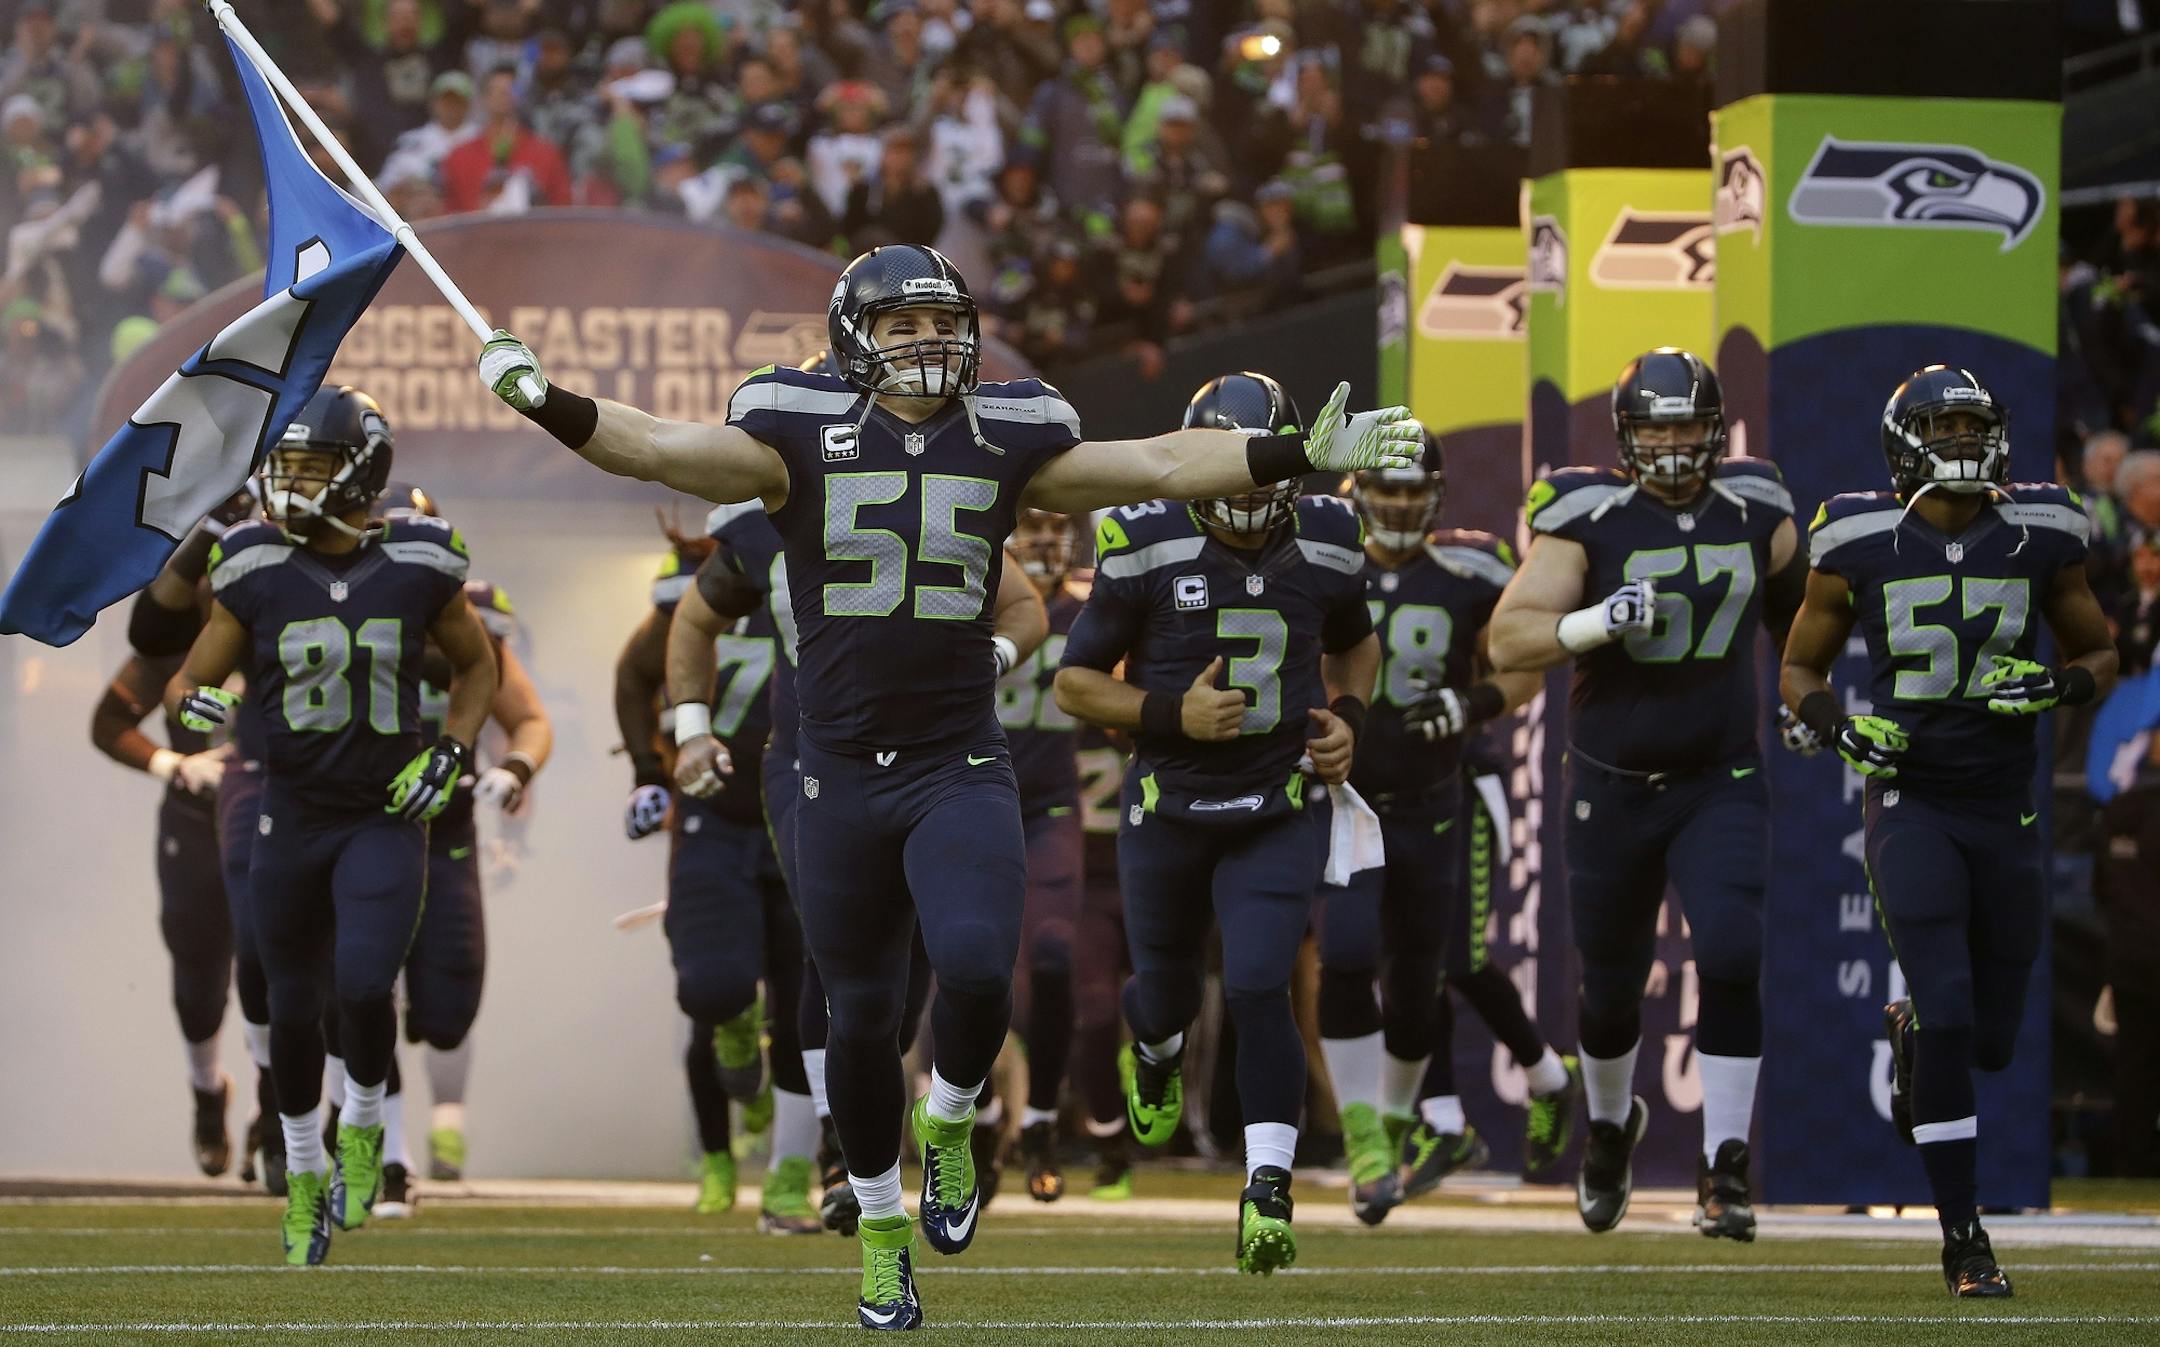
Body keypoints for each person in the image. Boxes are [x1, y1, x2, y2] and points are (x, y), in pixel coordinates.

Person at [475, 242, 1417, 1329]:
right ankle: (882, 1233)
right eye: (900, 325)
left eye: (940, 321)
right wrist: (547, 399)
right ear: (851, 337)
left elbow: (1159, 465)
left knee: (977, 969)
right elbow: (656, 449)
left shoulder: (1006, 429)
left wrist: (1287, 453)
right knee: (863, 1015)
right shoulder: (788, 423)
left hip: (955, 759)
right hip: (832, 769)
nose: (926, 341)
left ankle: (955, 1119)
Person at [1782, 365, 2116, 1297]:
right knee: (1952, 1008)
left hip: (2003, 804)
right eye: (1948, 427)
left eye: (1977, 426)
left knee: (1995, 1041)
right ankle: (1964, 1240)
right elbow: (1798, 670)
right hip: (1911, 797)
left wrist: (2058, 686)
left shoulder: (2043, 529)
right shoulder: (1855, 535)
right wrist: (1843, 727)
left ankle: (1913, 1038)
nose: (1967, 443)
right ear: (1906, 441)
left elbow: (2100, 647)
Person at [1054, 371, 1381, 1272]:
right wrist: (1170, 714)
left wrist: (1350, 720)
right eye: (1224, 477)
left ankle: (1266, 1186)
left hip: (1277, 799)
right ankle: (1152, 1051)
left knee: (1256, 981)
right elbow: (1075, 681)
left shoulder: (1328, 536)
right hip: (1170, 799)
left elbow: (1355, 641)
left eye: (1258, 480)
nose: (1243, 500)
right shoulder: (1143, 537)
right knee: (1161, 993)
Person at [164, 388, 498, 1266]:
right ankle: (303, 1176)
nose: (289, 484)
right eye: (286, 466)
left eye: (310, 466)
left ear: (362, 473)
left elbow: (476, 665)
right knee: (288, 1000)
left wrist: (454, 751)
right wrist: (196, 703)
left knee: (362, 984)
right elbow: (194, 678)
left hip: (384, 812)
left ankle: (360, 1128)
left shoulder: (421, 558)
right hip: (292, 810)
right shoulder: (249, 563)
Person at [1488, 348, 1802, 1241]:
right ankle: (1610, 1129)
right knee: (1611, 988)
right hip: (1612, 781)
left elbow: (1800, 620)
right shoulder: (1587, 512)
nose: (1671, 443)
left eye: (1686, 424)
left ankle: (1726, 1166)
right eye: (1655, 425)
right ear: (1627, 435)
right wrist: (1595, 621)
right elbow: (1510, 640)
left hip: (1720, 773)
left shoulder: (1759, 504)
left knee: (1734, 952)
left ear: (1716, 428)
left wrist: (1804, 698)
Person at [1319, 432, 1549, 1222]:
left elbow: (1524, 660)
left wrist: (1472, 703)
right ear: (1360, 492)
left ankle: (1393, 1128)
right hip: (1349, 802)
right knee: (1347, 954)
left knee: (1421, 981)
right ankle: (1366, 1135)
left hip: (1434, 800)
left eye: (1416, 493)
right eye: (1389, 490)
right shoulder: (1328, 560)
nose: (1403, 506)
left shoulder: (1472, 569)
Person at [374, 487, 554, 1206]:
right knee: (362, 986)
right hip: (355, 821)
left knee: (448, 1002)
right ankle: (385, 1147)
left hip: (445, 830)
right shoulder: (316, 598)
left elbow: (527, 723)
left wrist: (512, 788)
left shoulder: (466, 619)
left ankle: (444, 1114)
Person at [89, 646, 235, 1176]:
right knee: (199, 983)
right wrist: (173, 763)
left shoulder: (310, 606)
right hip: (198, 821)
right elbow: (108, 722)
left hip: (288, 818)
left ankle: (282, 1112)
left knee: (287, 969)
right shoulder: (179, 634)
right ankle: (207, 1091)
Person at [992, 505, 1090, 1201]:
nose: (1045, 540)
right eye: (1030, 525)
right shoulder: (971, 592)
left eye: (1056, 527)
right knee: (965, 966)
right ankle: (975, 1119)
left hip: (1052, 803)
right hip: (973, 795)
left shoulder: (1091, 611)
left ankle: (1042, 1116)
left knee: (1054, 954)